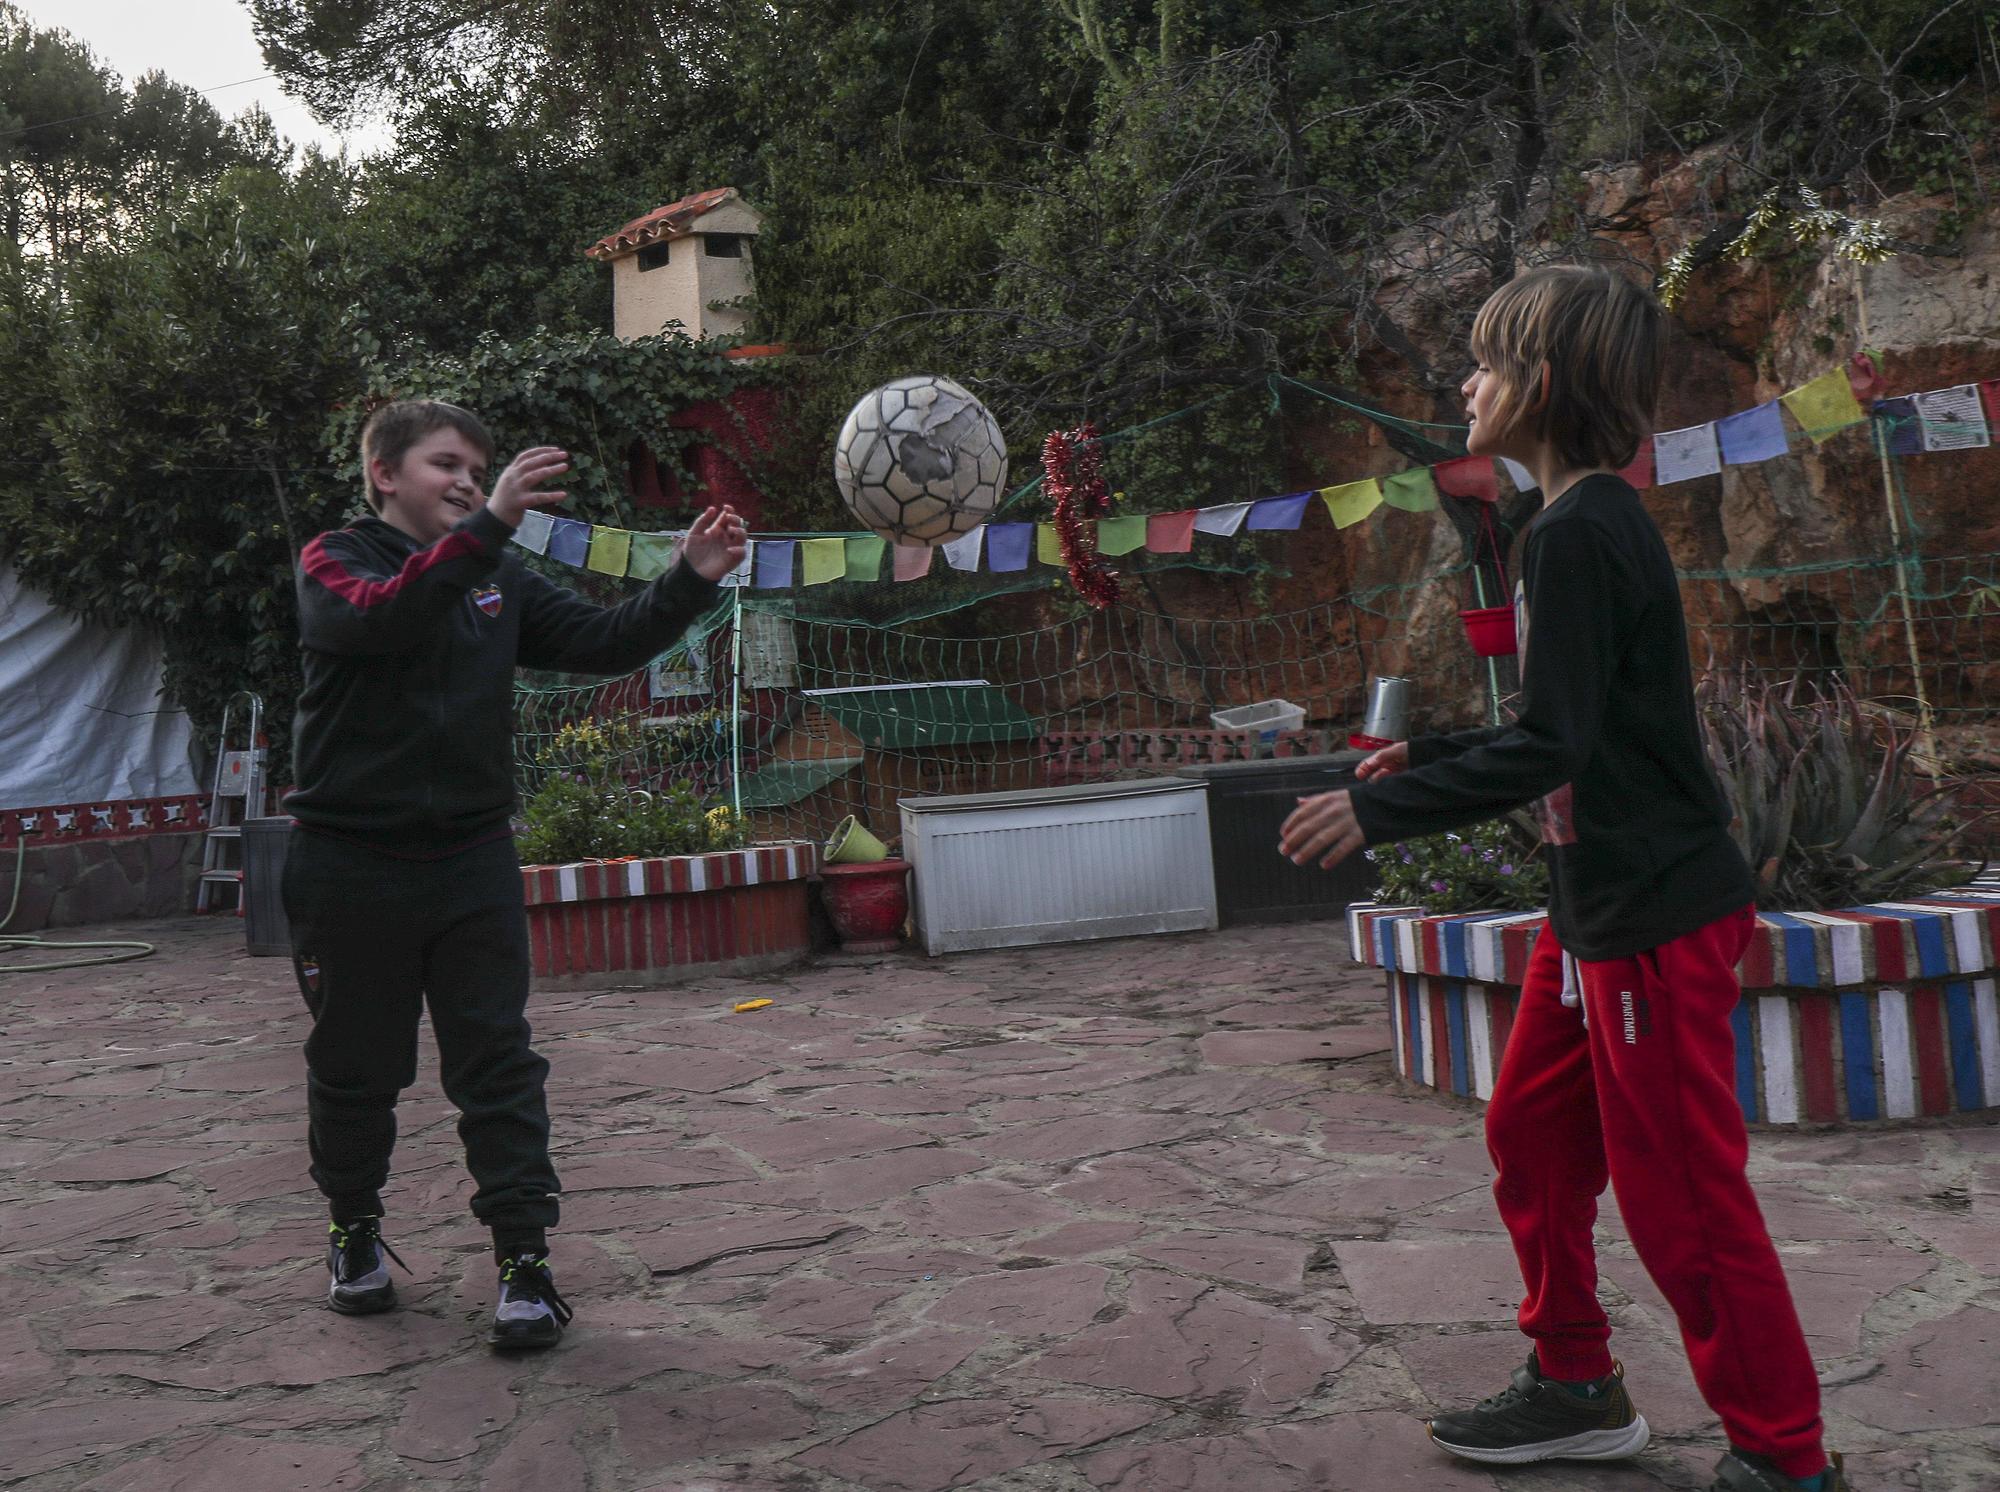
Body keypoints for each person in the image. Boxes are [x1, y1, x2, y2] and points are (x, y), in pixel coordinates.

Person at [1279, 266, 1848, 1492]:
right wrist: (1421, 755)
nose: (1465, 385)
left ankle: (1785, 1461)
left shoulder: (1584, 531)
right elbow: (1556, 720)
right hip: (1591, 914)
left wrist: (1378, 805)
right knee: (1531, 1132)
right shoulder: (1565, 526)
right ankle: (1575, 1386)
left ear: (1535, 386)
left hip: (1650, 917)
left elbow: (1550, 745)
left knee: (1682, 1201)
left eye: (1481, 365)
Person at [283, 398, 746, 1349]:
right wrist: (491, 522)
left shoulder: (499, 579)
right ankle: (354, 1232)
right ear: (385, 475)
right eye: (446, 465)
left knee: (497, 1065)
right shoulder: (334, 563)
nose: (464, 481)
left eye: (476, 468)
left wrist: (690, 580)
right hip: (350, 867)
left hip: (470, 860)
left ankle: (524, 1265)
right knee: (356, 1071)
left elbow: (603, 643)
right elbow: (391, 618)